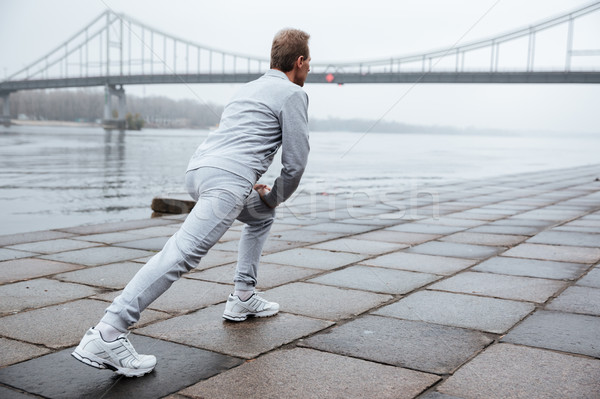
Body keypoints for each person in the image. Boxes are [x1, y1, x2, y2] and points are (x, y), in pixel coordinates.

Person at [71, 28, 311, 377]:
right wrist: (274, 196)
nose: (309, 71)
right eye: (309, 63)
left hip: (199, 172)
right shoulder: (292, 94)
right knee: (180, 254)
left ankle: (243, 296)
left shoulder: (248, 88)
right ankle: (108, 332)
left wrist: (256, 194)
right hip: (226, 182)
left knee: (259, 216)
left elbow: (237, 139)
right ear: (299, 61)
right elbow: (295, 164)